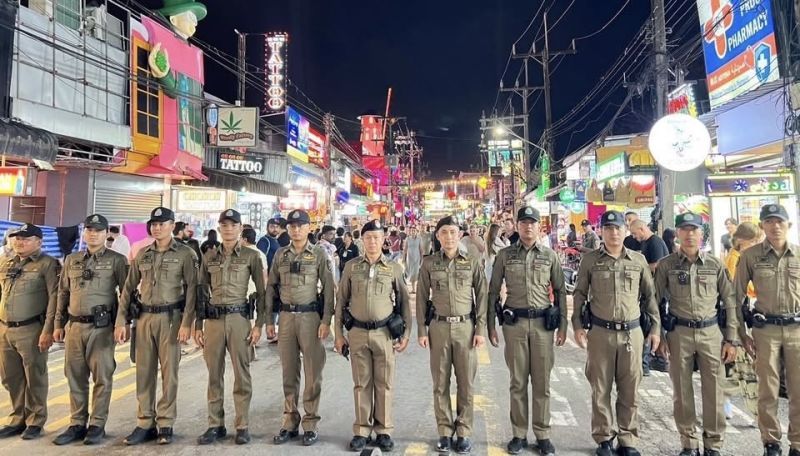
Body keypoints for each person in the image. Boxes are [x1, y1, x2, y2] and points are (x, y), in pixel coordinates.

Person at [572, 210, 660, 456]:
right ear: (602, 231)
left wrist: (655, 328)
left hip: (632, 333)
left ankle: (627, 439)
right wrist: (577, 325)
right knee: (600, 388)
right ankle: (603, 438)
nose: (613, 232)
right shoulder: (590, 261)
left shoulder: (638, 260)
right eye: (609, 228)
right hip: (600, 332)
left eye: (618, 228)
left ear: (625, 230)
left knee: (630, 388)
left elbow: (650, 297)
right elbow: (579, 294)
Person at [654, 212, 739, 456]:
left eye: (694, 229)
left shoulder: (715, 265)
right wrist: (659, 335)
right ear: (677, 234)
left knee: (714, 391)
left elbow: (730, 302)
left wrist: (731, 339)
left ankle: (713, 444)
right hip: (678, 333)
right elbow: (655, 301)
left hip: (711, 333)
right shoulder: (667, 265)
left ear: (702, 234)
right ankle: (688, 443)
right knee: (682, 392)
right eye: (685, 229)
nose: (690, 234)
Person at [114, 207, 198, 445]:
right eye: (154, 224)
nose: (157, 228)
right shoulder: (143, 254)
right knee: (143, 372)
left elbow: (193, 289)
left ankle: (166, 423)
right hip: (144, 319)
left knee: (169, 374)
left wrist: (187, 322)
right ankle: (144, 422)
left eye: (162, 223)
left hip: (171, 319)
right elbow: (129, 289)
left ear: (173, 225)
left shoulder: (185, 254)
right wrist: (122, 320)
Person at [487, 206, 566, 456]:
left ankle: (542, 434)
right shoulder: (505, 255)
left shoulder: (550, 256)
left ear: (539, 227)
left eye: (532, 223)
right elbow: (492, 290)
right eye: (524, 223)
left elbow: (561, 291)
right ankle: (519, 434)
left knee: (542, 383)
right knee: (518, 382)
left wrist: (563, 326)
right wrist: (490, 325)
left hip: (543, 325)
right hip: (515, 325)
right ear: (517, 227)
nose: (528, 227)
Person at [334, 220, 412, 452]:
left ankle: (384, 430)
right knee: (361, 383)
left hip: (384, 334)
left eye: (376, 237)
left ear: (383, 239)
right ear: (362, 240)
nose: (372, 241)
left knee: (384, 383)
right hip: (357, 333)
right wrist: (338, 334)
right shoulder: (351, 267)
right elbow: (341, 303)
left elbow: (405, 303)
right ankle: (361, 429)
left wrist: (406, 333)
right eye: (368, 237)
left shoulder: (394, 268)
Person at [51, 214, 128, 446]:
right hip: (74, 326)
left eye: (98, 230)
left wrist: (122, 324)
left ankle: (97, 424)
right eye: (89, 230)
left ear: (107, 234)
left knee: (102, 376)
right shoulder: (72, 260)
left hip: (102, 328)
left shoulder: (117, 260)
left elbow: (126, 294)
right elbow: (62, 294)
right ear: (84, 233)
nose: (92, 234)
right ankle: (77, 423)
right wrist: (57, 324)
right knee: (74, 376)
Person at [194, 209, 266, 446]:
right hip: (213, 321)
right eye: (224, 225)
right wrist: (198, 324)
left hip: (239, 320)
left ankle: (242, 425)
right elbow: (201, 292)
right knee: (214, 375)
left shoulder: (251, 256)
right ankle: (215, 425)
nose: (228, 229)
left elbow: (263, 293)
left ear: (240, 227)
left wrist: (260, 325)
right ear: (220, 227)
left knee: (241, 375)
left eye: (232, 225)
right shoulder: (210, 257)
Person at [417, 215, 488, 454]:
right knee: (440, 383)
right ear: (438, 236)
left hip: (466, 328)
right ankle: (445, 432)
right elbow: (420, 299)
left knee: (466, 383)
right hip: (438, 327)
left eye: (453, 232)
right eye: (444, 232)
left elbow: (482, 295)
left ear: (460, 235)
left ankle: (464, 432)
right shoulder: (428, 263)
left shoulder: (472, 261)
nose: (449, 236)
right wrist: (421, 330)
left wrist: (480, 329)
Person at [265, 209, 335, 447]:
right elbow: (271, 288)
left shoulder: (318, 254)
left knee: (313, 372)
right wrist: (268, 321)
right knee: (289, 372)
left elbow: (328, 289)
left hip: (310, 317)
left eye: (300, 225)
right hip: (285, 317)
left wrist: (326, 320)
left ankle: (310, 423)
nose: (295, 229)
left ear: (308, 228)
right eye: (291, 226)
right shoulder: (280, 255)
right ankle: (289, 421)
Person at [735, 204, 800, 456]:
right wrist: (740, 334)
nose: (775, 226)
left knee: (798, 389)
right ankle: (770, 442)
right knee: (767, 390)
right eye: (769, 222)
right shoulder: (750, 256)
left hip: (796, 330)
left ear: (788, 225)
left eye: (779, 221)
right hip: (766, 331)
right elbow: (735, 297)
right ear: (762, 226)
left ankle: (797, 443)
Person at [0, 224, 61, 440]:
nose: (19, 242)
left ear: (39, 242)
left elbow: (55, 299)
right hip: (5, 329)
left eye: (26, 239)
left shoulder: (48, 265)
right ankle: (18, 418)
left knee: (35, 376)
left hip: (32, 329)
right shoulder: (6, 263)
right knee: (10, 377)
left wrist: (49, 330)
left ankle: (36, 420)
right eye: (17, 238)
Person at [403, 226, 424, 290]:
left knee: (415, 273)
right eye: (412, 230)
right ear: (410, 231)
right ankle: (410, 287)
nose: (413, 232)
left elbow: (421, 249)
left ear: (416, 231)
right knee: (409, 272)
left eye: (414, 231)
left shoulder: (419, 239)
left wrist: (421, 258)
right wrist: (404, 258)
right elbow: (405, 249)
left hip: (417, 258)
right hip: (409, 259)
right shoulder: (407, 239)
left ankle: (414, 288)